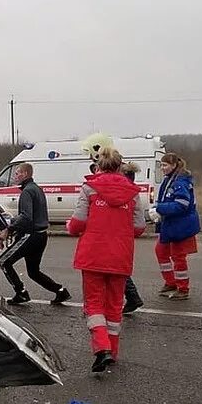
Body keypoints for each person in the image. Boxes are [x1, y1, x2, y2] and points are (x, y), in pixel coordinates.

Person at [67, 147, 146, 372]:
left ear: (99, 165)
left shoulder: (90, 188)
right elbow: (139, 227)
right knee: (114, 305)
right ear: (120, 166)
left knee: (93, 303)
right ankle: (112, 349)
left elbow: (78, 223)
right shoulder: (132, 192)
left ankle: (101, 348)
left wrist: (70, 227)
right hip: (120, 255)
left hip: (93, 254)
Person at [0, 163, 71, 305]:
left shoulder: (27, 192)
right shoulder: (37, 189)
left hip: (29, 236)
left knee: (4, 262)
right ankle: (60, 291)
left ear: (25, 174)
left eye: (17, 173)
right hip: (41, 235)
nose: (15, 176)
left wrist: (10, 228)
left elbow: (26, 216)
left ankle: (21, 292)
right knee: (33, 271)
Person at [149, 153, 200, 300]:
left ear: (173, 165)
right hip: (171, 224)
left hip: (181, 225)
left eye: (165, 165)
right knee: (161, 251)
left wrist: (160, 209)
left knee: (178, 256)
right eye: (162, 165)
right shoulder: (170, 180)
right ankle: (171, 282)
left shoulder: (180, 182)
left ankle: (183, 288)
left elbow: (181, 205)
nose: (163, 168)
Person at [121, 161, 145, 313]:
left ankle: (133, 297)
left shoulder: (125, 192)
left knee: (115, 270)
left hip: (120, 234)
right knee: (118, 268)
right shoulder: (133, 192)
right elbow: (139, 223)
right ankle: (132, 297)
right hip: (126, 236)